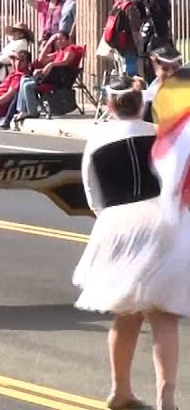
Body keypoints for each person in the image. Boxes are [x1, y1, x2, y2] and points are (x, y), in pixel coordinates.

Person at [73, 75, 188, 410]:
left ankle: (120, 390)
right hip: (163, 220)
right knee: (164, 316)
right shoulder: (161, 136)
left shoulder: (96, 141)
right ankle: (166, 396)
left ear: (109, 106)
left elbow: (94, 196)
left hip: (117, 222)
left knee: (127, 313)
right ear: (141, 105)